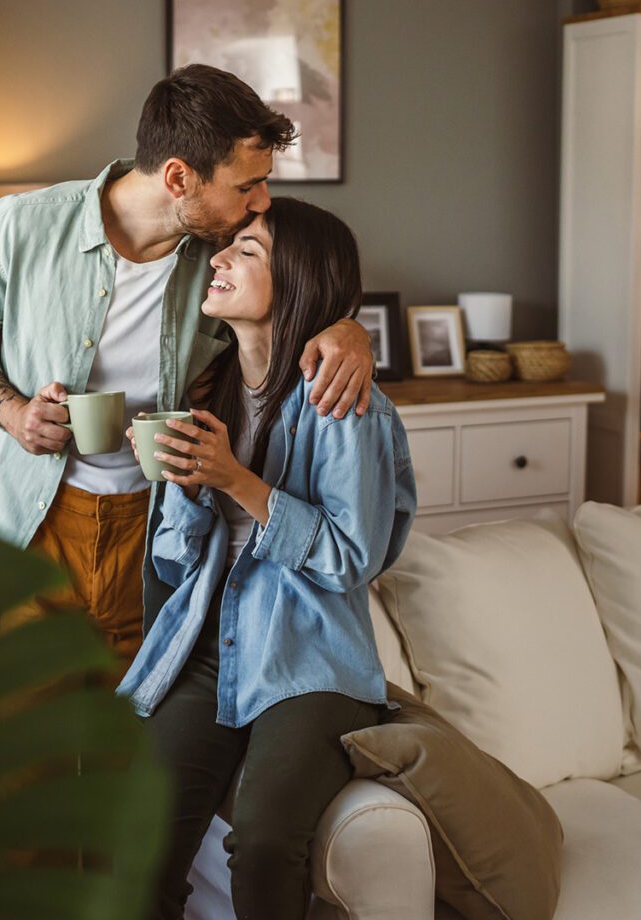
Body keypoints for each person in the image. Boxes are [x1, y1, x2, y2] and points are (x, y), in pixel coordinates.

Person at [0, 64, 376, 667]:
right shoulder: (18, 227)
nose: (261, 201)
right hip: (33, 525)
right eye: (247, 185)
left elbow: (297, 289)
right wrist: (12, 412)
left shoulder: (221, 257)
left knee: (138, 747)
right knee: (26, 747)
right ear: (178, 177)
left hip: (161, 531)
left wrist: (349, 327)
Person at [117, 197, 417, 919]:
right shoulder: (208, 388)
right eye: (228, 248)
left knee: (263, 842)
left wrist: (236, 481)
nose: (218, 260)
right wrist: (182, 486)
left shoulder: (344, 401)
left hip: (309, 658)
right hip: (212, 645)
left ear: (300, 280)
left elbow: (352, 557)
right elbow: (181, 559)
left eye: (246, 252)